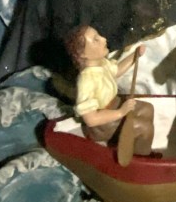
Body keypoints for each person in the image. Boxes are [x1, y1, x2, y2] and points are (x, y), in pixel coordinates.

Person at [64, 25, 154, 159]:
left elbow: (116, 70)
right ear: (82, 54)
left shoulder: (101, 64)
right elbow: (91, 119)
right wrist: (121, 112)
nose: (104, 39)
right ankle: (141, 158)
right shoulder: (87, 80)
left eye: (99, 35)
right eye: (96, 40)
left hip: (114, 104)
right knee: (143, 128)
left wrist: (135, 56)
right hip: (101, 124)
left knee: (147, 109)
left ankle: (129, 143)